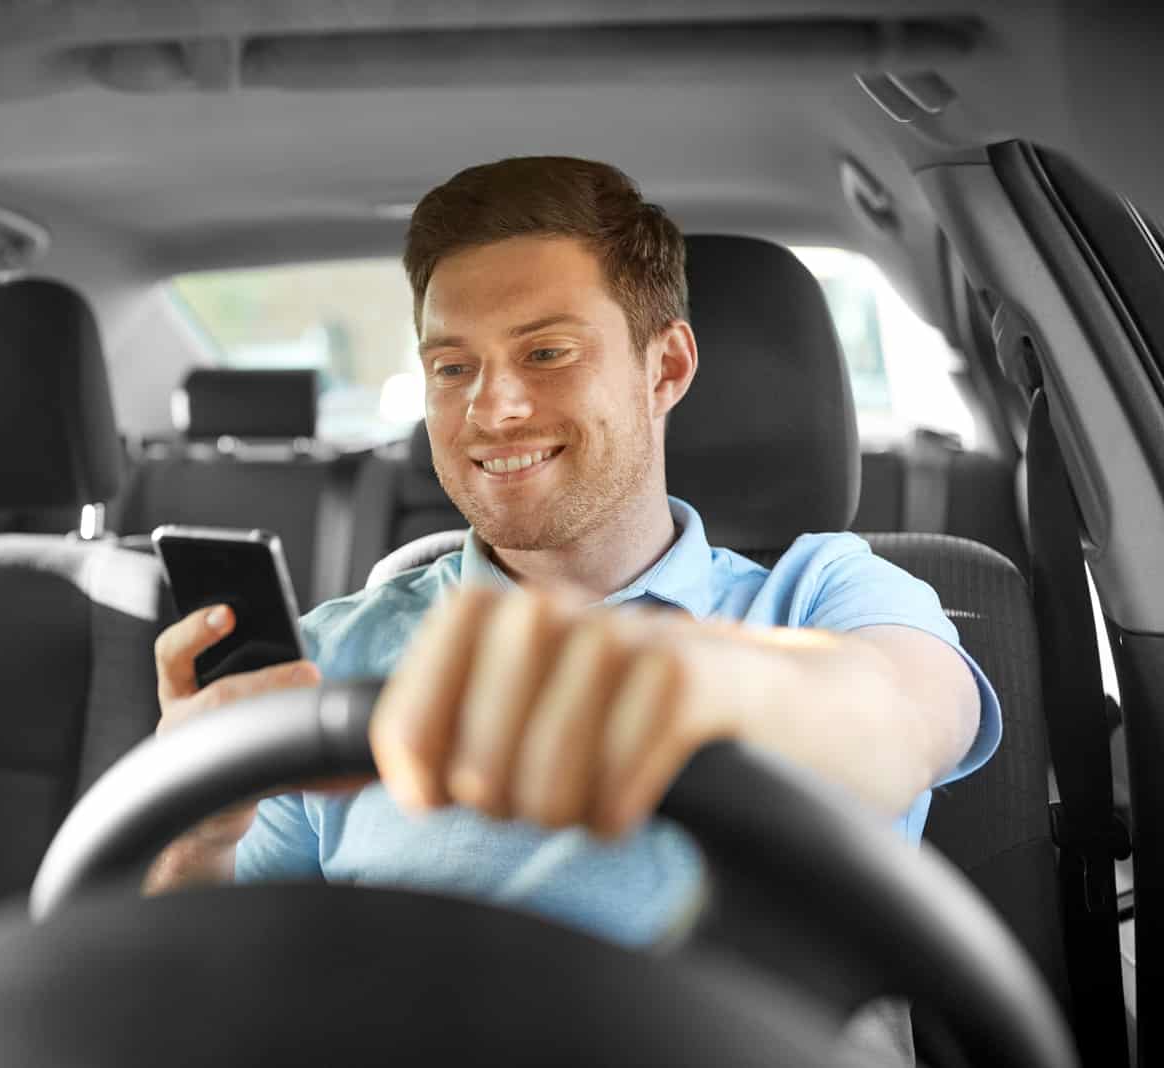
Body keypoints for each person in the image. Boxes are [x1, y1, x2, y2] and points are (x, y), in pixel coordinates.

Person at [143, 156, 1002, 1060]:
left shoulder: (835, 593)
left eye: (546, 352)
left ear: (664, 367)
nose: (494, 407)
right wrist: (196, 835)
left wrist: (662, 680)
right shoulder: (329, 651)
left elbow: (899, 718)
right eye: (452, 366)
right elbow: (222, 994)